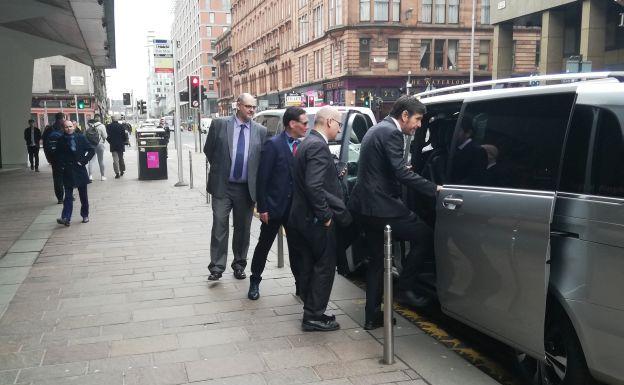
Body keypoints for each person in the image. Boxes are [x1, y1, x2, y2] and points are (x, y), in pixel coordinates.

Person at [348, 96, 442, 330]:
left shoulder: (377, 128)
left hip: (364, 207)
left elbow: (378, 168)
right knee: (425, 236)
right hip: (382, 207)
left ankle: (372, 316)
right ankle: (406, 288)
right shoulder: (393, 133)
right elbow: (401, 174)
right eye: (418, 119)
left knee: (378, 262)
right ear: (404, 116)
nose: (419, 125)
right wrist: (434, 189)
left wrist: (399, 170)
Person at [288, 106, 352, 332]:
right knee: (325, 266)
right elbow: (314, 185)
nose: (340, 129)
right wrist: (325, 216)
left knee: (310, 266)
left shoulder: (307, 142)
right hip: (314, 220)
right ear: (330, 122)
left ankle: (312, 310)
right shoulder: (317, 146)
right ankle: (314, 316)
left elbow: (313, 181)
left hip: (302, 218)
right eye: (340, 124)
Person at [203, 93, 267, 281]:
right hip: (223, 186)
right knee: (219, 225)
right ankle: (216, 267)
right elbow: (209, 150)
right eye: (248, 106)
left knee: (243, 229)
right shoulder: (220, 124)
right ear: (238, 105)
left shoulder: (260, 131)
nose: (252, 110)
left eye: (254, 107)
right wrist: (222, 168)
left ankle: (239, 265)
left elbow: (261, 160)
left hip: (246, 189)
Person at [247, 107, 307, 300]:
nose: (307, 126)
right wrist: (262, 207)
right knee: (263, 246)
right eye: (304, 123)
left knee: (296, 249)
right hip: (273, 208)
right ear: (292, 124)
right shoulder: (273, 145)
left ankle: (300, 286)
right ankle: (255, 282)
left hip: (295, 209)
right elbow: (262, 178)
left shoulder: (303, 145)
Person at [55, 119, 95, 226]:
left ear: (73, 126)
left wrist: (84, 161)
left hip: (79, 169)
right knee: (68, 196)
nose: (68, 129)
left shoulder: (80, 137)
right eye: (66, 127)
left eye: (70, 126)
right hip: (67, 170)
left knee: (83, 195)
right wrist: (61, 166)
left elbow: (91, 150)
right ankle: (66, 218)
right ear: (63, 128)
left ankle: (85, 215)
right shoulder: (61, 140)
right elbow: (57, 155)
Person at [450, 118, 487, 184]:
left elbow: (476, 179)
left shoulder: (478, 151)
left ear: (468, 133)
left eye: (458, 130)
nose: (453, 134)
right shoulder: (452, 149)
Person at [42, 112, 66, 203]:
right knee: (67, 176)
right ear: (62, 118)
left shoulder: (48, 130)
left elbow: (45, 144)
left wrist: (48, 157)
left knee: (57, 178)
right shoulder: (65, 128)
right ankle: (69, 195)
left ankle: (60, 198)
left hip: (54, 157)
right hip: (65, 157)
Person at [85, 115, 108, 181]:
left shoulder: (89, 125)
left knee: (91, 161)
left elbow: (86, 135)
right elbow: (105, 136)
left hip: (92, 145)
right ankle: (103, 176)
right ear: (99, 119)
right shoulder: (102, 126)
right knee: (101, 161)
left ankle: (90, 176)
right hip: (100, 144)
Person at [106, 114, 127, 178]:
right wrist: (123, 141)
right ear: (117, 119)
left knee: (115, 159)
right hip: (120, 145)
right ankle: (122, 170)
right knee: (121, 158)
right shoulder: (121, 126)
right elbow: (124, 136)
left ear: (112, 119)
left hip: (113, 145)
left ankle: (117, 173)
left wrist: (110, 142)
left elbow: (107, 136)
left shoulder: (108, 126)